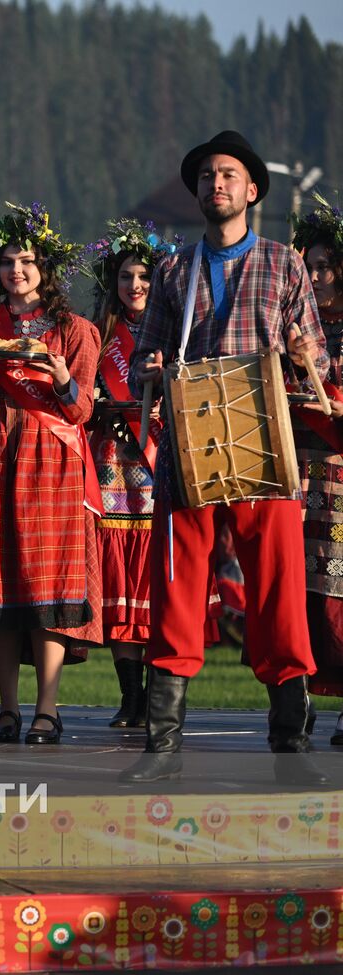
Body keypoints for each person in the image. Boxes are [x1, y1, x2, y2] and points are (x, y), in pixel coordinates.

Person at [125, 130, 328, 783]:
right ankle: (162, 742)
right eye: (208, 175)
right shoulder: (173, 271)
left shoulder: (283, 265)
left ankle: (289, 736)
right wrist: (149, 368)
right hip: (191, 438)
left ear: (251, 190)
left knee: (276, 585)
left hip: (264, 439)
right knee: (180, 584)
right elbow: (140, 364)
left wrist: (304, 360)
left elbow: (318, 364)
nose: (217, 184)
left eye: (229, 175)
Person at [0, 203, 102, 746]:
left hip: (51, 460)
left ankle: (48, 709)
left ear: (46, 268)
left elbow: (80, 414)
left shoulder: (76, 331)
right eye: (8, 261)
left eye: (28, 260)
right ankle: (7, 708)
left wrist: (60, 378)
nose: (17, 270)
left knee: (45, 584)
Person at [82, 219, 179, 728]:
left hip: (162, 460)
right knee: (119, 575)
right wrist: (105, 406)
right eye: (125, 276)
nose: (135, 286)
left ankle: (160, 695)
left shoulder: (177, 332)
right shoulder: (97, 334)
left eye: (144, 276)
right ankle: (130, 696)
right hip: (113, 465)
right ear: (112, 281)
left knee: (156, 577)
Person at [285, 193, 343, 746]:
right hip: (290, 466)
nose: (317, 275)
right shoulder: (290, 325)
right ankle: (294, 701)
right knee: (292, 592)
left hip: (338, 474)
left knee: (336, 594)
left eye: (326, 266)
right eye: (309, 266)